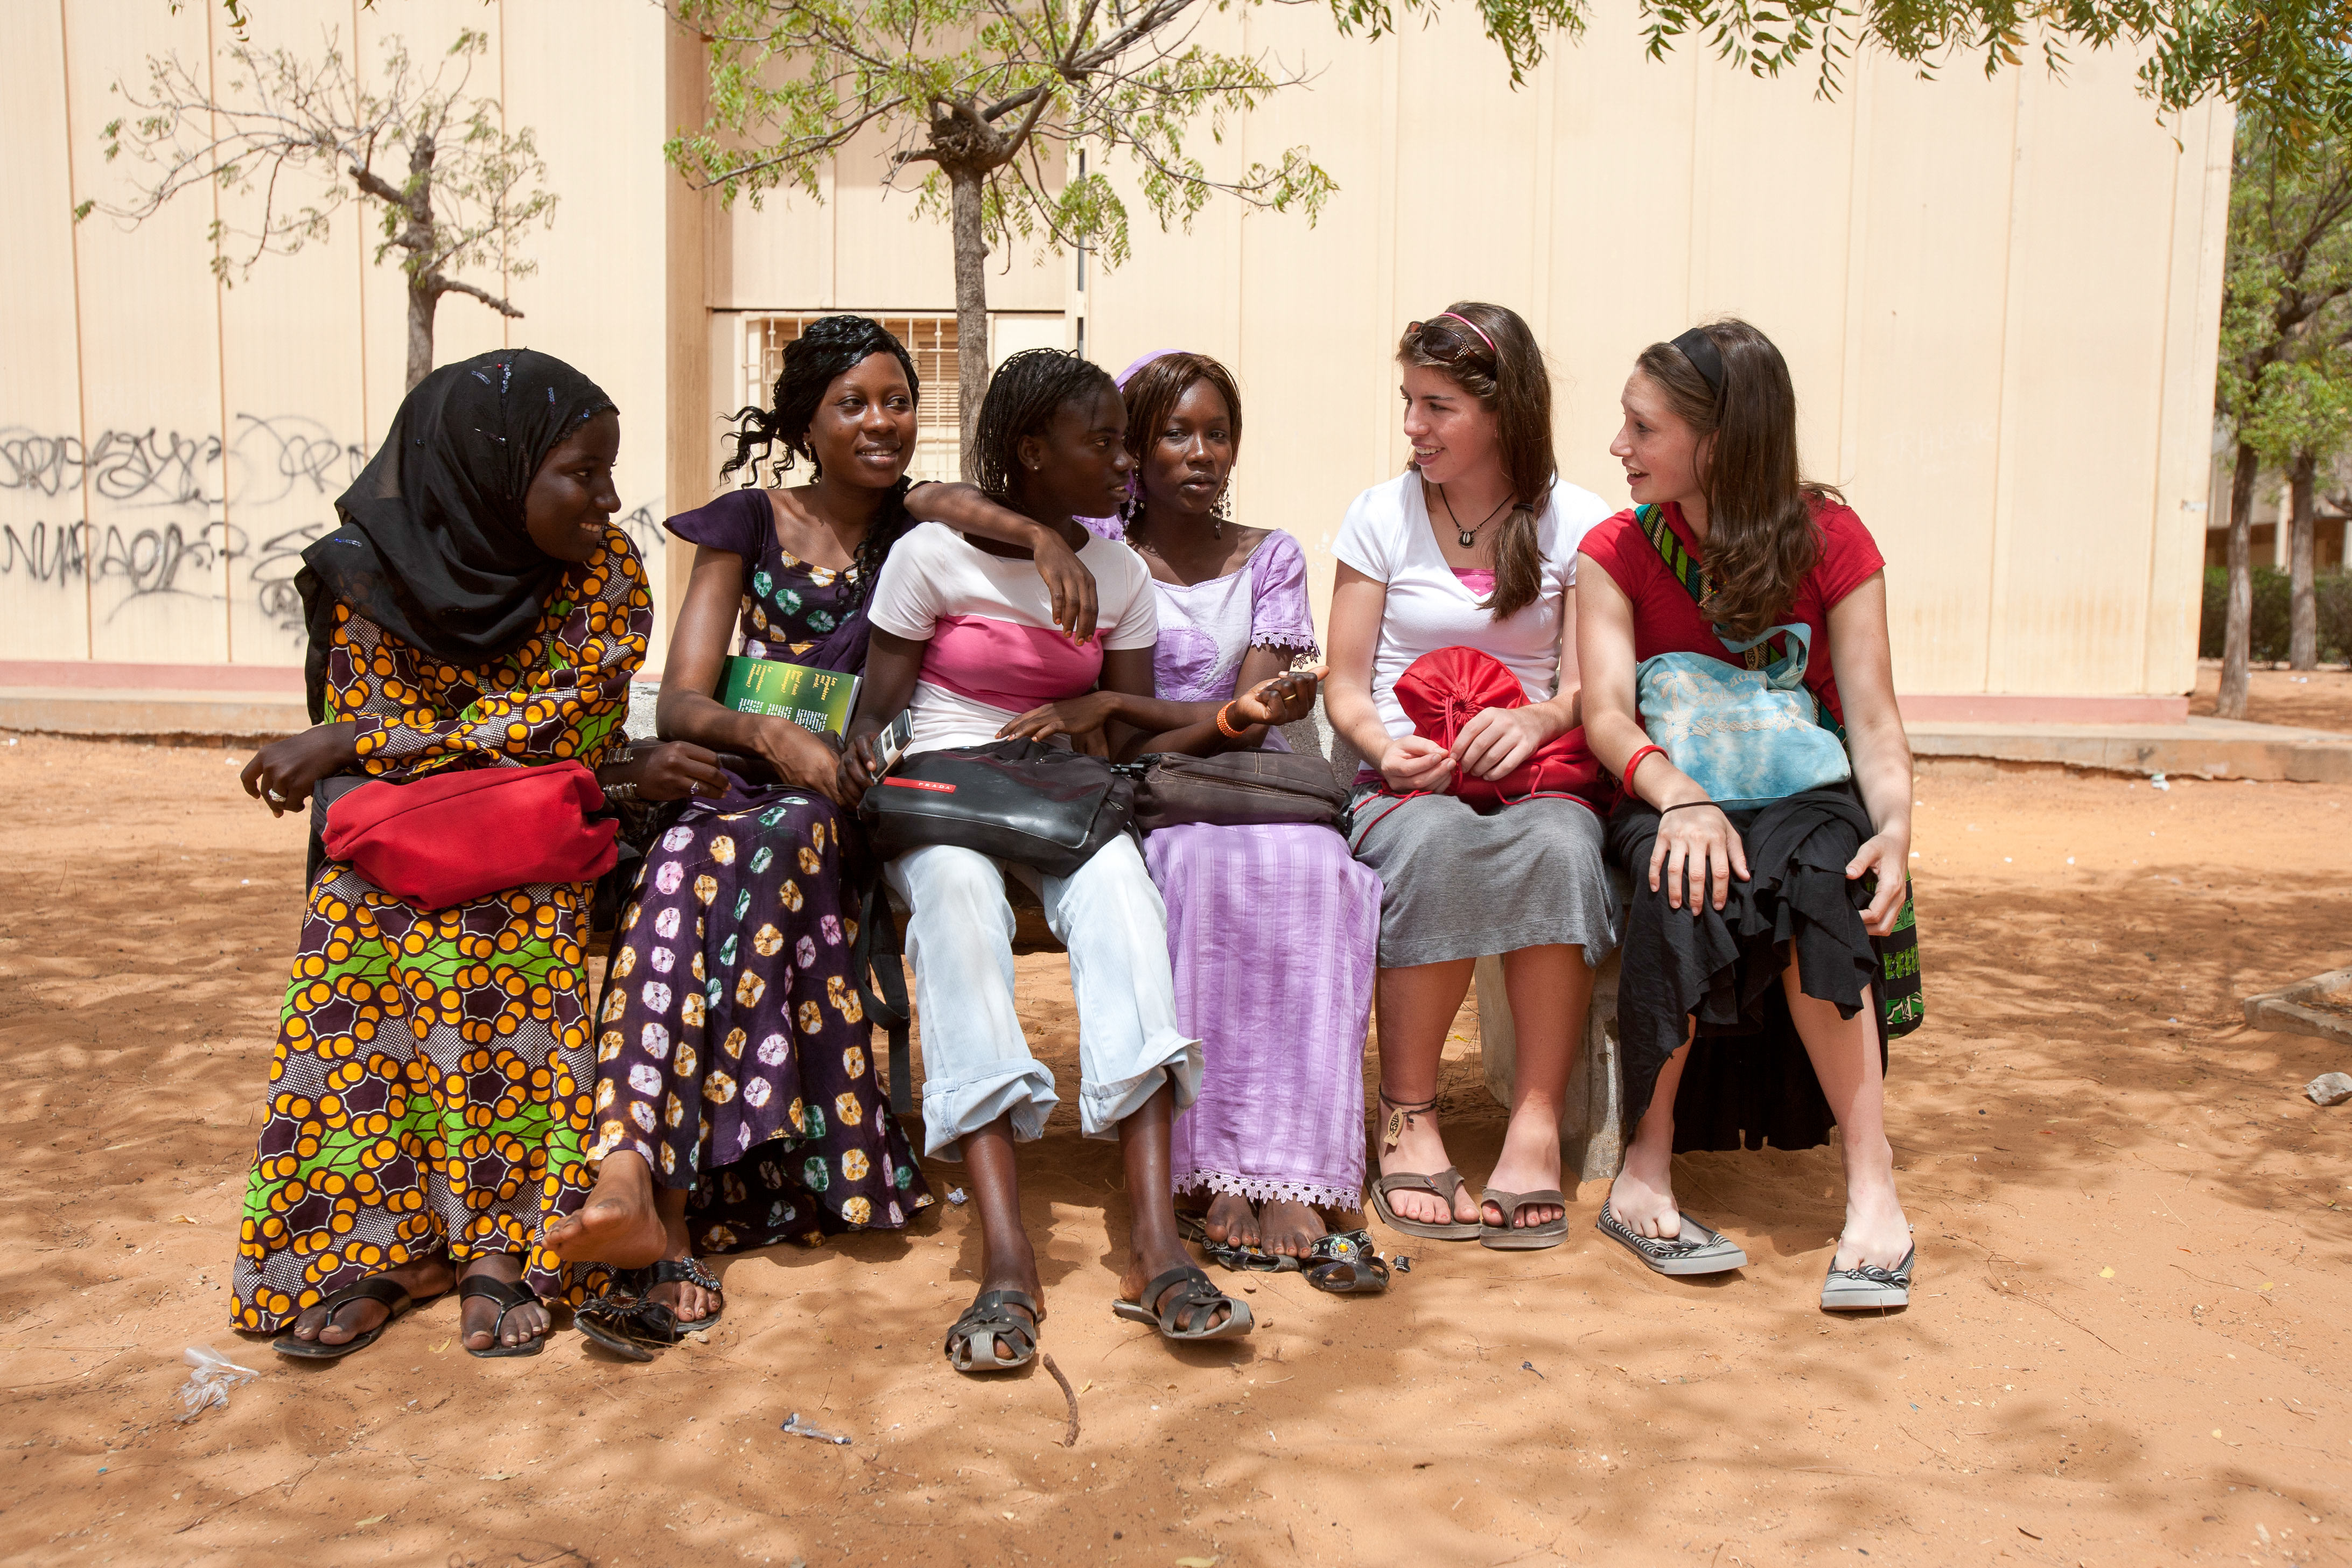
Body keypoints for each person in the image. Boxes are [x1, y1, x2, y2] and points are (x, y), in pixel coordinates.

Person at [542, 315, 1101, 1333]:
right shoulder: (747, 526)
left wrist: (1041, 535)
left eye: (899, 402)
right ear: (807, 422)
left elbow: (956, 499)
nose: (881, 422)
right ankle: (635, 1181)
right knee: (686, 861)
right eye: (853, 404)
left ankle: (659, 1195)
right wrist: (769, 735)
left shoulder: (913, 526)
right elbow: (681, 704)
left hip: (840, 808)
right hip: (739, 786)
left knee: (763, 844)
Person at [841, 348, 1305, 1371]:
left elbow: (1127, 739)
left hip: (1064, 793)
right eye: (1103, 443)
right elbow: (878, 711)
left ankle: (1156, 1248)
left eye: (1124, 442)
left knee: (1126, 907)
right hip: (947, 787)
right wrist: (863, 754)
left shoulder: (1118, 572)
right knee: (957, 910)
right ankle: (1007, 1256)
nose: (1125, 461)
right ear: (1032, 450)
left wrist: (1227, 717)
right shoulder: (931, 557)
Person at [234, 348, 699, 1359]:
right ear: (490, 471)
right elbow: (388, 749)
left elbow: (562, 725)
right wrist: (376, 745)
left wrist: (360, 741)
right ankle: (393, 1245)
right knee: (353, 924)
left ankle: (502, 1241)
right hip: (414, 833)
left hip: (549, 825)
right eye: (582, 473)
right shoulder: (365, 570)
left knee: (507, 921)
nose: (608, 499)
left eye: (610, 472)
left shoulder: (606, 573)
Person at [941, 349, 1383, 1279]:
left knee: (1320, 873)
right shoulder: (1097, 550)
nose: (1202, 452)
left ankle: (1293, 1163)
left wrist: (1114, 704)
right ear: (1132, 449)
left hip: (1243, 780)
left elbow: (1249, 716)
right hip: (1152, 790)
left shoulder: (1269, 556)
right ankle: (1215, 1162)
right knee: (1192, 871)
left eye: (1219, 434)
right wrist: (1130, 709)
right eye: (1176, 433)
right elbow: (932, 500)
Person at [1576, 317, 1920, 1309]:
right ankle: (1644, 1174)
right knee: (1683, 871)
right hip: (1668, 786)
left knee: (1825, 879)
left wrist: (1895, 830)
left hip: (1804, 791)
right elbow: (1606, 715)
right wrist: (1680, 798)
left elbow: (1873, 719)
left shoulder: (1833, 541)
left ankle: (1874, 1189)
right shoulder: (1617, 549)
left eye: (1645, 428)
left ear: (1720, 441)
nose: (1619, 446)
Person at [1322, 302, 1617, 1250]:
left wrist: (1538, 718)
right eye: (1409, 401)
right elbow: (1343, 682)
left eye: (1438, 406)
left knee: (1563, 846)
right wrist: (1382, 747)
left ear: (1502, 410)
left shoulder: (1578, 522)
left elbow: (1590, 685)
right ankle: (1409, 1114)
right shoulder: (1380, 515)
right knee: (1435, 839)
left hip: (1534, 777)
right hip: (1405, 777)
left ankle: (1535, 1124)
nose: (1414, 425)